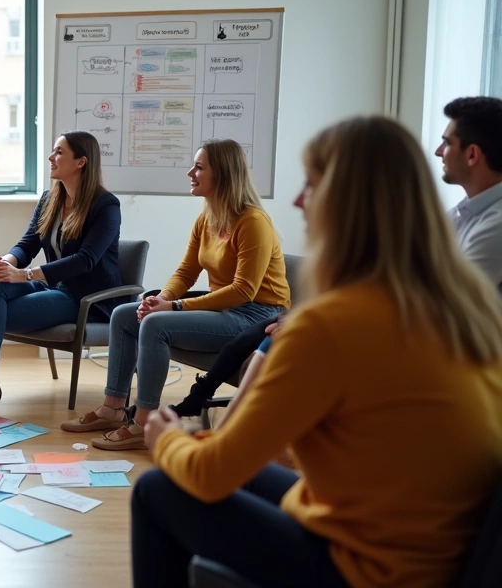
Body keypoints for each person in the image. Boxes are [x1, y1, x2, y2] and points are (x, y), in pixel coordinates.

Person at [132, 116, 502, 588]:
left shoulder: (332, 324)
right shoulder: (464, 309)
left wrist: (167, 440)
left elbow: (209, 477)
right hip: (434, 550)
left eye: (311, 184)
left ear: (349, 203)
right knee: (244, 469)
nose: (298, 200)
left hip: (368, 568)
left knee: (157, 489)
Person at [172, 95, 502, 417]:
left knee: (271, 345)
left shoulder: (493, 225)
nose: (299, 201)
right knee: (268, 342)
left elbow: (439, 303)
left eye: (313, 185)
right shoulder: (458, 217)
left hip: (444, 369)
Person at [64, 139, 290, 450]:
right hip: (224, 310)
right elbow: (186, 272)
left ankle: (144, 422)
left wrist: (174, 306)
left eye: (199, 167)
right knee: (124, 315)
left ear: (222, 174)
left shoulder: (253, 222)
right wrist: (160, 299)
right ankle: (113, 408)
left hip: (255, 314)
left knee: (157, 325)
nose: (190, 172)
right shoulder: (207, 218)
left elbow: (242, 291)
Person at [0, 131, 131, 416]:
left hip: (87, 299)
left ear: (81, 162)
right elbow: (27, 244)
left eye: (59, 152)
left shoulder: (106, 206)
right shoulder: (50, 199)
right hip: (55, 288)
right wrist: (5, 262)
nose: (50, 157)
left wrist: (24, 275)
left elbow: (86, 260)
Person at [439, 96, 502, 288]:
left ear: (472, 154)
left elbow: (452, 296)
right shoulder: (464, 213)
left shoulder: (498, 224)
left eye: (447, 143)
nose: (438, 151)